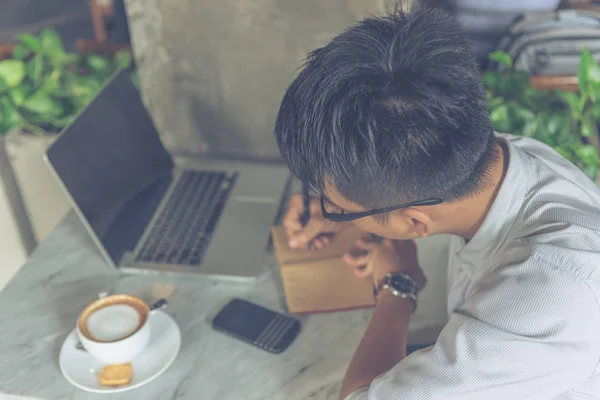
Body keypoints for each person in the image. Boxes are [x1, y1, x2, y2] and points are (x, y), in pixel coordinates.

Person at [274, 6, 600, 400]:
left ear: (414, 224)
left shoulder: (539, 300)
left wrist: (398, 286)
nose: (331, 210)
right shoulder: (504, 154)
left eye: (337, 206)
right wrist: (354, 214)